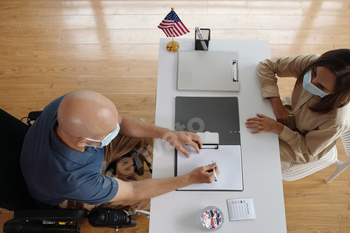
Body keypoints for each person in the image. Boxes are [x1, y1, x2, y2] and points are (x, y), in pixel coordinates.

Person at [20, 90, 219, 211]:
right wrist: (189, 179)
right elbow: (132, 191)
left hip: (76, 161)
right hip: (66, 194)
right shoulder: (72, 181)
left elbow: (121, 121)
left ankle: (128, 164)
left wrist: (168, 133)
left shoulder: (67, 104)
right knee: (145, 200)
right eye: (108, 133)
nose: (116, 131)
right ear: (83, 142)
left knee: (146, 134)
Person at [245, 49, 350, 173]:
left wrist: (279, 129)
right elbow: (266, 65)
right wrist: (276, 103)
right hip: (288, 113)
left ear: (336, 94)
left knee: (253, 165)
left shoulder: (336, 120)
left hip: (300, 149)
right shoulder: (315, 62)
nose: (311, 82)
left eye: (321, 87)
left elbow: (307, 148)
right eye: (314, 73)